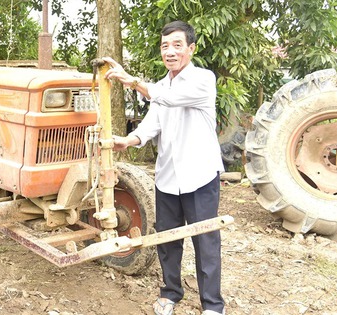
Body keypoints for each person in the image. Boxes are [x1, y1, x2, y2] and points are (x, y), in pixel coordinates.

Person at [102, 20, 225, 315]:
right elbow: (152, 122)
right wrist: (128, 141)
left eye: (177, 45)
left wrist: (132, 82)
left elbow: (166, 98)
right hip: (167, 176)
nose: (170, 52)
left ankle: (212, 305)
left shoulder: (202, 80)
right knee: (167, 239)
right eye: (165, 46)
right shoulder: (162, 84)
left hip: (200, 176)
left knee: (205, 240)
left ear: (191, 49)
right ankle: (170, 293)